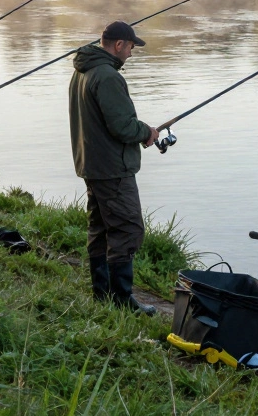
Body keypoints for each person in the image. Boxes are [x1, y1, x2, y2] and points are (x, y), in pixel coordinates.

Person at [69, 20, 160, 315]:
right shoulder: (107, 76)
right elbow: (121, 126)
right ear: (119, 45)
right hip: (112, 168)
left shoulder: (83, 70)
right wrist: (146, 132)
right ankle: (121, 301)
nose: (131, 54)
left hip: (92, 163)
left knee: (100, 229)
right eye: (131, 47)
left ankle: (102, 295)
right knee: (127, 228)